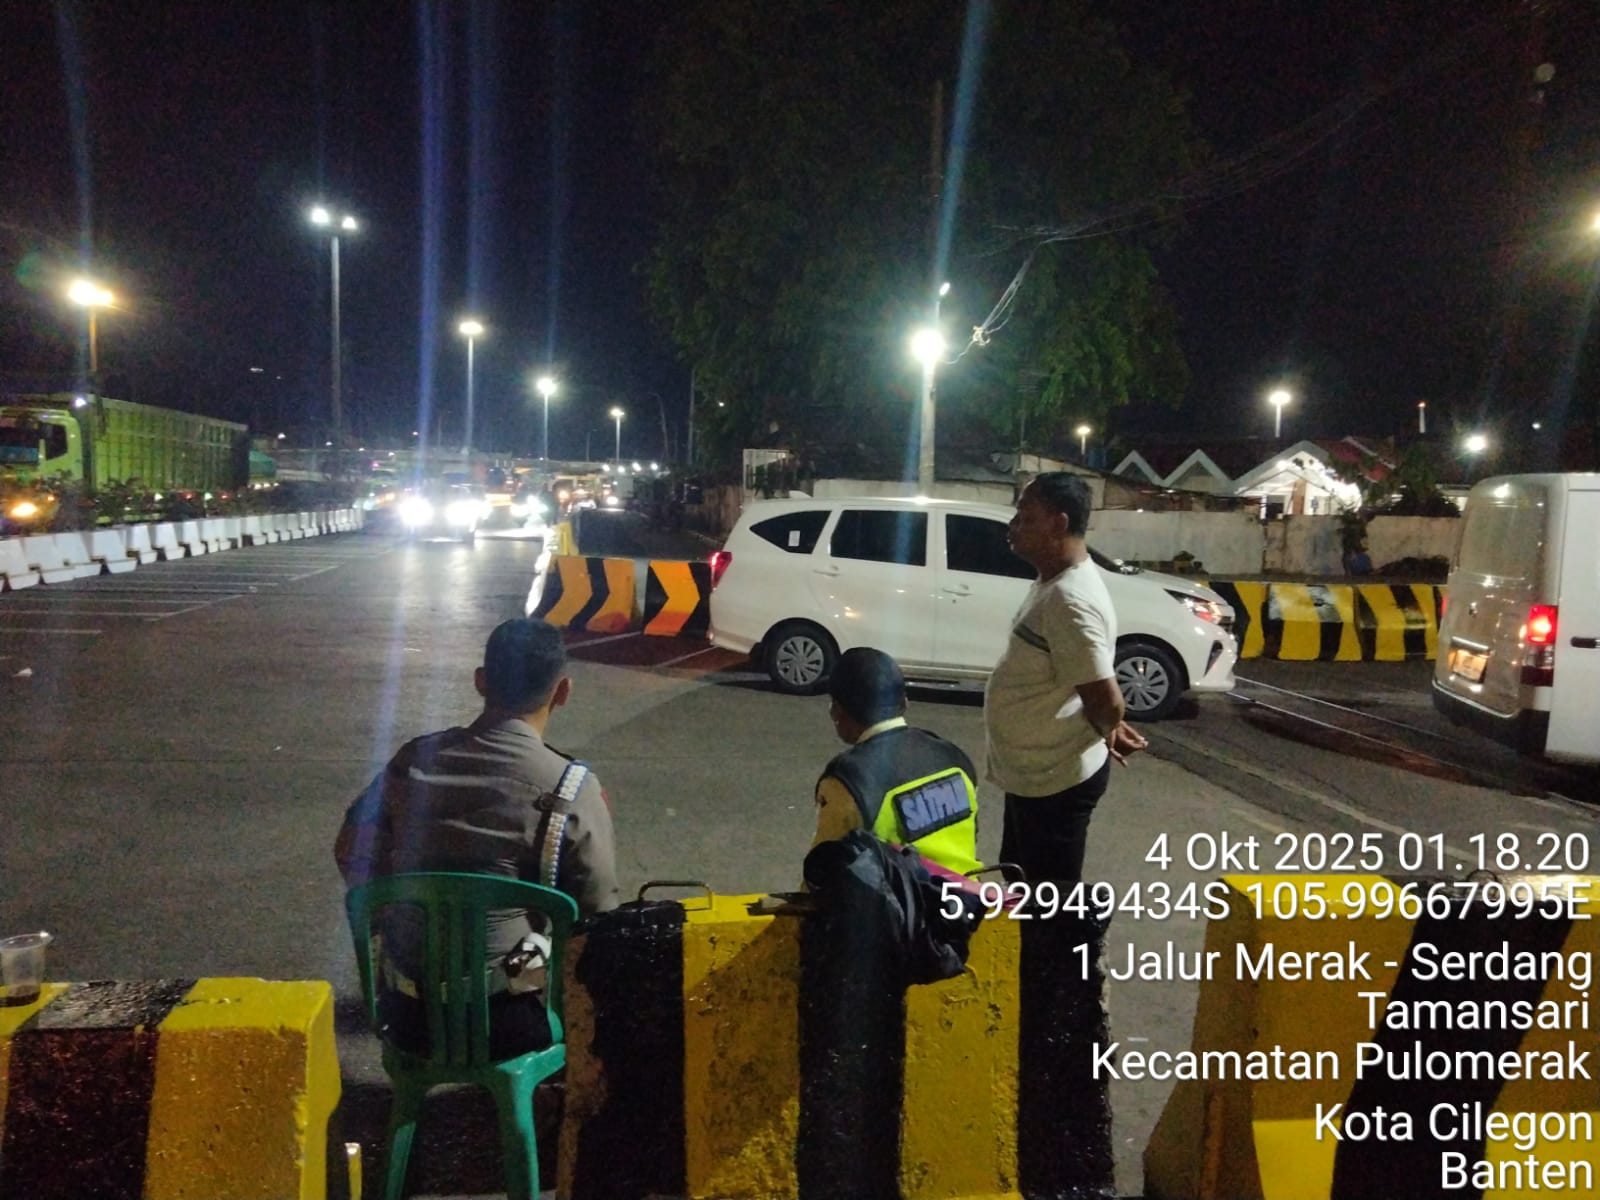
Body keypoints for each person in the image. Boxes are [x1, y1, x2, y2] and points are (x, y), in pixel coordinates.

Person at [335, 617, 620, 1056]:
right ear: (563, 691)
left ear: (481, 681)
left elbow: (350, 848)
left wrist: (392, 910)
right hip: (510, 1025)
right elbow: (598, 911)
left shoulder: (412, 761)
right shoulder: (569, 788)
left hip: (405, 1018)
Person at [984, 473, 1148, 884]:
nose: (1013, 526)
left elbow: (1108, 702)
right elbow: (1083, 680)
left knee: (1050, 901)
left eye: (1025, 517)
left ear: (1058, 524)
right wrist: (1105, 724)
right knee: (1022, 879)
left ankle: (1082, 923)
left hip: (1055, 782)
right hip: (1036, 776)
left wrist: (1108, 725)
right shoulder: (1052, 582)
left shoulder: (1069, 599)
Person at [812, 646, 982, 877]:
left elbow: (822, 871)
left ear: (837, 712)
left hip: (902, 900)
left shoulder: (847, 781)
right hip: (968, 894)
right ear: (905, 703)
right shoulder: (955, 758)